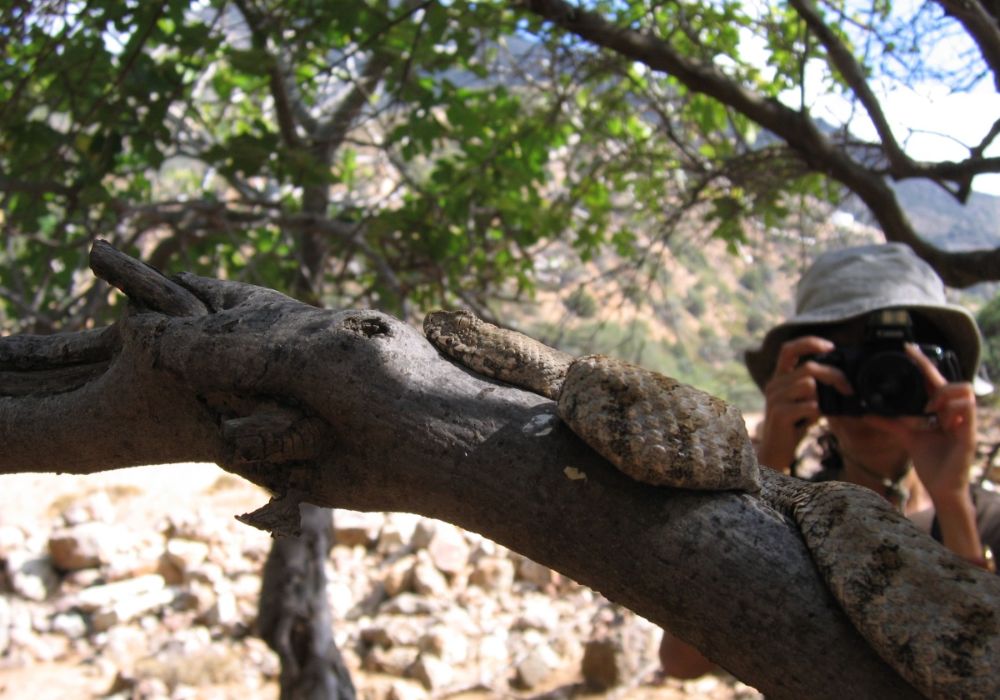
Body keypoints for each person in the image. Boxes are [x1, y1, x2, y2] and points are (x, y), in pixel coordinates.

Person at [659, 242, 1000, 679]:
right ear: (801, 377)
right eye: (845, 365)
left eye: (894, 367)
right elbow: (682, 663)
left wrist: (953, 504)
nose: (872, 387)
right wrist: (764, 469)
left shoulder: (988, 522)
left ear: (939, 375)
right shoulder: (792, 521)